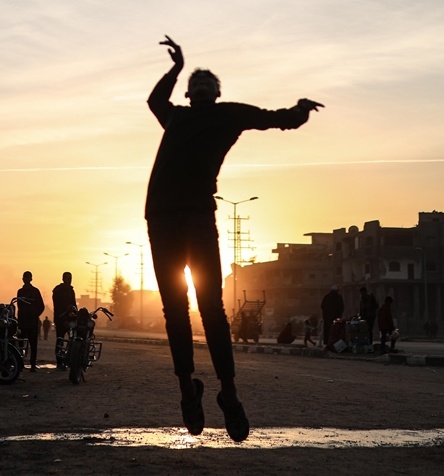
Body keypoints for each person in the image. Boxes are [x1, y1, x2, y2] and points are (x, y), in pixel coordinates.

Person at [144, 35, 322, 442]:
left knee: (212, 309)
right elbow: (154, 101)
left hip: (198, 219)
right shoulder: (175, 117)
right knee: (175, 309)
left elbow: (277, 117)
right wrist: (174, 68)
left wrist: (301, 110)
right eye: (196, 79)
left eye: (209, 79)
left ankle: (229, 394)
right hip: (161, 219)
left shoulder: (229, 115)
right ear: (188, 93)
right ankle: (188, 390)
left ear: (217, 92)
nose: (202, 82)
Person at [15, 271, 45, 371]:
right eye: (24, 277)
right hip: (22, 322)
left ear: (31, 279)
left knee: (33, 345)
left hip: (32, 322)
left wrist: (34, 314)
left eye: (28, 277)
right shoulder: (20, 292)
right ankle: (20, 364)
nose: (26, 279)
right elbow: (19, 305)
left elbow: (41, 306)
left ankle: (32, 364)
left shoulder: (35, 291)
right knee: (20, 344)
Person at [52, 272, 77, 369]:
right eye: (67, 278)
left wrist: (76, 317)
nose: (69, 280)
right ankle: (59, 362)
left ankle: (69, 360)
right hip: (60, 319)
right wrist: (63, 320)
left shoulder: (71, 291)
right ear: (63, 279)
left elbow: (74, 305)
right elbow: (57, 307)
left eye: (70, 278)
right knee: (60, 341)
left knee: (73, 340)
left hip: (71, 319)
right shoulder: (58, 290)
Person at [320, 286, 345, 352]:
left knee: (328, 331)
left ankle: (328, 344)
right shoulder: (339, 297)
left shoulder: (326, 297)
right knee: (335, 332)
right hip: (336, 318)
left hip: (327, 317)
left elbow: (322, 306)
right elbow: (341, 307)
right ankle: (334, 345)